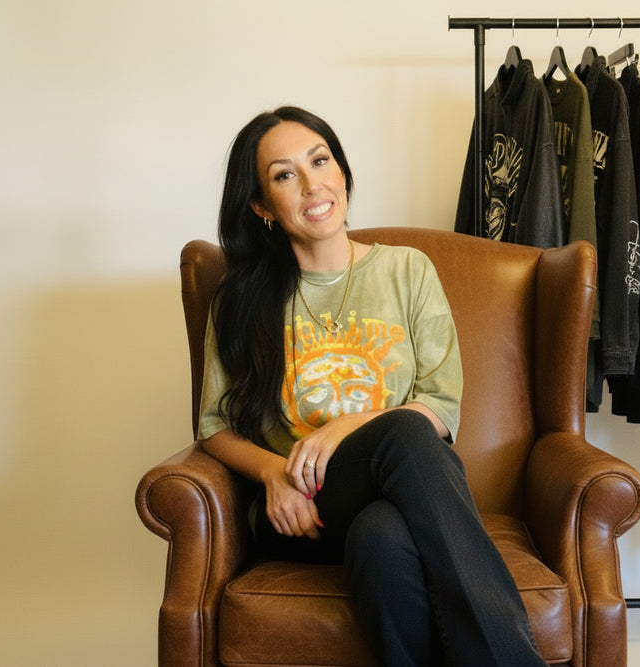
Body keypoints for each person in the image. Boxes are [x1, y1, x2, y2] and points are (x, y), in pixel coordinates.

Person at [197, 106, 546, 666]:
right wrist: (271, 476)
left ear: (341, 170)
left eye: (320, 160)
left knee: (383, 538)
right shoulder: (239, 299)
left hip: (395, 497)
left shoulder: (408, 271)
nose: (312, 183)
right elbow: (213, 425)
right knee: (406, 433)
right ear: (261, 206)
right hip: (301, 508)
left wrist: (343, 427)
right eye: (285, 175)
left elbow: (442, 405)